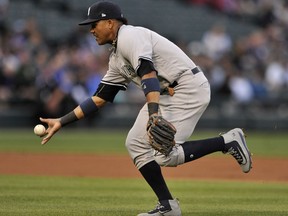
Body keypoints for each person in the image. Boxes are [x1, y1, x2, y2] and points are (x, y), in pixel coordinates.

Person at [39, 1, 252, 216]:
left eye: (95, 24)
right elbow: (99, 99)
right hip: (167, 93)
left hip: (187, 87)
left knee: (164, 155)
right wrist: (62, 121)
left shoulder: (130, 36)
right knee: (135, 143)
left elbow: (148, 73)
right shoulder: (116, 57)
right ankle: (168, 205)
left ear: (111, 23)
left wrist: (154, 115)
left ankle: (227, 141)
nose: (91, 30)